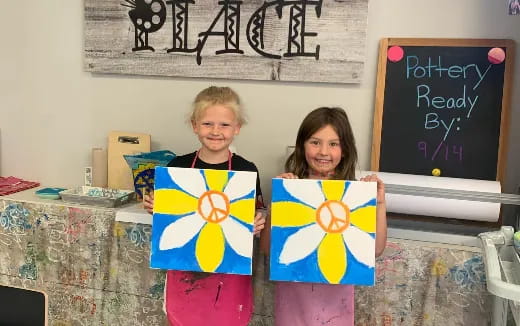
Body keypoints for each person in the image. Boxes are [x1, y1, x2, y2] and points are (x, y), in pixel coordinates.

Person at [144, 86, 266, 326]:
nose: (216, 131)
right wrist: (155, 206)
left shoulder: (246, 169)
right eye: (208, 123)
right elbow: (169, 219)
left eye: (224, 125)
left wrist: (257, 221)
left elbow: (257, 211)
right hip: (185, 269)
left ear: (237, 128)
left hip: (229, 273)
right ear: (195, 125)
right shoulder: (176, 167)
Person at [263, 107, 387, 326]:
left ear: (345, 150)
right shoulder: (291, 189)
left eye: (333, 144)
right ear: (302, 146)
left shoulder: (355, 195)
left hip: (335, 304)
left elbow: (375, 250)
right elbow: (267, 249)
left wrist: (379, 204)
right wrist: (277, 205)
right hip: (293, 300)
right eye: (315, 142)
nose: (323, 152)